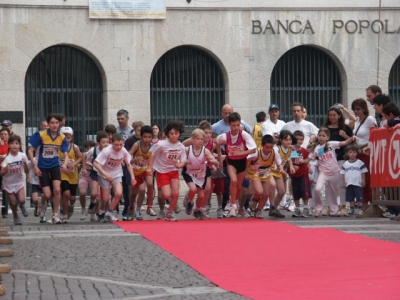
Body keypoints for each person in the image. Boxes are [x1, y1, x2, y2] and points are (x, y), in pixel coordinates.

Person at [302, 127, 357, 217]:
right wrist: (300, 161)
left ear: (327, 137)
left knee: (333, 192)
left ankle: (334, 210)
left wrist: (352, 137)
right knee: (317, 189)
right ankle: (318, 208)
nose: (321, 137)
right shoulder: (316, 148)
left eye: (323, 136)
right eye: (319, 135)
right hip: (323, 173)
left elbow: (344, 143)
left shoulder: (331, 144)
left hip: (334, 172)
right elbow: (308, 159)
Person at [28, 113, 69, 224]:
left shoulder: (62, 137)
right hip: (42, 166)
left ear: (59, 124)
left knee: (57, 190)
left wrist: (64, 164)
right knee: (47, 194)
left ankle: (55, 215)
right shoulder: (41, 135)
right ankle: (42, 203)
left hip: (55, 165)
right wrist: (35, 166)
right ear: (48, 124)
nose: (54, 125)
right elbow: (30, 151)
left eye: (56, 123)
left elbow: (66, 155)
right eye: (52, 123)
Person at [216, 112, 257, 217]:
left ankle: (232, 201)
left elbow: (253, 150)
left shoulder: (243, 134)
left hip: (242, 162)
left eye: (238, 125)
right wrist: (220, 158)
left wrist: (240, 153)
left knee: (239, 185)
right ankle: (233, 205)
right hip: (231, 162)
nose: (236, 128)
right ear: (229, 125)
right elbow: (218, 142)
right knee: (233, 181)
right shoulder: (225, 136)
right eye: (233, 125)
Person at [147, 120, 187, 221]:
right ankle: (168, 207)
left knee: (176, 193)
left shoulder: (181, 146)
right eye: (171, 133)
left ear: (179, 134)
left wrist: (179, 164)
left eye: (176, 133)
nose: (173, 136)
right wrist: (149, 168)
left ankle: (170, 213)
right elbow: (152, 155)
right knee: (167, 194)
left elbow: (184, 161)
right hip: (162, 171)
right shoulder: (161, 144)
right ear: (168, 134)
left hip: (173, 171)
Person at [93, 133, 136, 222]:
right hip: (104, 174)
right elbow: (96, 163)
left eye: (120, 144)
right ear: (111, 143)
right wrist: (106, 174)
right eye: (116, 145)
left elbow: (128, 164)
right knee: (105, 199)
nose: (119, 147)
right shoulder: (106, 151)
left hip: (116, 173)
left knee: (119, 193)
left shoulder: (124, 151)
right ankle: (101, 212)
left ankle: (109, 212)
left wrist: (132, 177)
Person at [179, 129, 218, 220]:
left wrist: (211, 162)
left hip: (201, 175)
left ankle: (197, 210)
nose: (200, 141)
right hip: (189, 173)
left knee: (201, 196)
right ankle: (190, 202)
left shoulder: (205, 151)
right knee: (193, 189)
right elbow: (179, 152)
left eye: (201, 139)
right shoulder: (188, 150)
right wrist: (182, 162)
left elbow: (215, 162)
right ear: (192, 139)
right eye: (197, 139)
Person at [324, 105, 354, 216]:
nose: (332, 117)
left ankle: (343, 206)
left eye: (334, 115)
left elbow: (352, 141)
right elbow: (321, 144)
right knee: (328, 184)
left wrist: (345, 135)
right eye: (330, 115)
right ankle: (330, 206)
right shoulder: (325, 128)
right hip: (328, 160)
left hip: (341, 158)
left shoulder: (345, 128)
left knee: (342, 183)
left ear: (339, 116)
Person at [247, 134, 281, 219]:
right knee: (259, 191)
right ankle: (254, 200)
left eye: (271, 147)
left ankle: (258, 210)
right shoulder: (256, 153)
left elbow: (279, 163)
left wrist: (281, 169)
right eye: (267, 147)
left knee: (266, 194)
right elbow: (246, 160)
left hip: (266, 174)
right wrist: (246, 173)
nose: (269, 150)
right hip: (255, 173)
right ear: (262, 145)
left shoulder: (274, 153)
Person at [351, 98, 376, 212]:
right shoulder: (357, 120)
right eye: (354, 109)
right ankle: (364, 205)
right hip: (358, 152)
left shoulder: (370, 119)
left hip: (366, 152)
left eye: (358, 109)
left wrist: (369, 146)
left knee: (368, 179)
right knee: (360, 179)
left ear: (364, 109)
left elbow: (374, 135)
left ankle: (372, 203)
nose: (356, 111)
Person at [0, 135, 29, 225]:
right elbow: (1, 173)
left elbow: (26, 170)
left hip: (19, 182)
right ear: (8, 145)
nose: (14, 145)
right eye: (12, 143)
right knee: (13, 202)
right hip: (8, 183)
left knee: (22, 200)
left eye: (16, 143)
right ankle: (16, 216)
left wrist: (26, 165)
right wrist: (5, 169)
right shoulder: (7, 158)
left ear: (20, 145)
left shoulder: (23, 155)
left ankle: (22, 205)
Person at [128, 125, 156, 220]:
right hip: (136, 171)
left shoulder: (153, 147)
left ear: (152, 137)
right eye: (145, 137)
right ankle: (132, 205)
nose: (147, 139)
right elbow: (127, 157)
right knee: (134, 192)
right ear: (141, 136)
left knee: (148, 185)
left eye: (149, 137)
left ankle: (146, 208)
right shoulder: (137, 145)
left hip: (146, 170)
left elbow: (153, 160)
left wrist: (150, 167)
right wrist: (134, 160)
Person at [82, 131, 110, 222]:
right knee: (94, 194)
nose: (106, 144)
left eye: (107, 142)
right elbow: (84, 156)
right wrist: (84, 168)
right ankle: (93, 202)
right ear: (98, 143)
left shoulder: (110, 149)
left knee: (105, 197)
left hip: (106, 174)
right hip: (96, 173)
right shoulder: (93, 150)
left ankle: (102, 214)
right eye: (103, 142)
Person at [59, 126, 83, 223]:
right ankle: (64, 214)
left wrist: (74, 163)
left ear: (71, 138)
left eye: (68, 137)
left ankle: (71, 206)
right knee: (66, 194)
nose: (66, 139)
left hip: (73, 174)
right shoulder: (57, 148)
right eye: (64, 137)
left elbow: (81, 157)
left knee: (72, 198)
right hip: (63, 173)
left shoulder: (74, 147)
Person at [269, 130, 295, 217]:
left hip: (279, 172)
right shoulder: (276, 149)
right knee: (271, 188)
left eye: (290, 140)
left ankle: (273, 209)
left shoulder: (290, 149)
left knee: (282, 191)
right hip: (271, 171)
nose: (288, 141)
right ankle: (268, 205)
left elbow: (289, 159)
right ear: (280, 140)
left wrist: (291, 167)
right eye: (286, 140)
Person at [122, 121, 144, 220]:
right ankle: (131, 206)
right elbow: (126, 155)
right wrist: (133, 160)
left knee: (142, 190)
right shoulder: (130, 141)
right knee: (132, 190)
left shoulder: (146, 140)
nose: (140, 133)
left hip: (142, 168)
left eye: (141, 131)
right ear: (134, 130)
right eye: (138, 130)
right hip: (131, 167)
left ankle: (137, 209)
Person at [340, 144, 368, 216]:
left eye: (354, 152)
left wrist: (363, 181)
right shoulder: (345, 164)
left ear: (357, 153)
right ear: (347, 154)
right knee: (350, 197)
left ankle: (360, 209)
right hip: (349, 183)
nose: (352, 154)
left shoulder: (360, 163)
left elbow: (363, 172)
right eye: (350, 152)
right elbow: (343, 174)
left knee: (359, 197)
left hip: (357, 183)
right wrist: (344, 182)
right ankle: (351, 209)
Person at [290, 131, 312, 218]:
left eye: (301, 139)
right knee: (295, 191)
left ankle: (306, 208)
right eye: (297, 139)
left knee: (304, 190)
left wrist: (309, 168)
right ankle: (297, 208)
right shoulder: (290, 150)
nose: (299, 141)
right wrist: (292, 166)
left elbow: (307, 161)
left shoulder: (304, 151)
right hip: (294, 175)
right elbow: (289, 160)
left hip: (303, 174)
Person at [78, 140, 96, 221]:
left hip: (93, 177)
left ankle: (93, 213)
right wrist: (84, 167)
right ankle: (83, 209)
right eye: (87, 148)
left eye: (91, 148)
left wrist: (91, 165)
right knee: (82, 192)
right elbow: (82, 164)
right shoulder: (84, 155)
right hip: (84, 176)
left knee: (95, 195)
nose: (89, 150)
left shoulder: (96, 155)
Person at [0, 128, 10, 218]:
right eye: (2, 134)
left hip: (6, 170)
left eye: (5, 134)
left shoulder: (10, 146)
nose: (3, 136)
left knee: (5, 191)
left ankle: (4, 211)